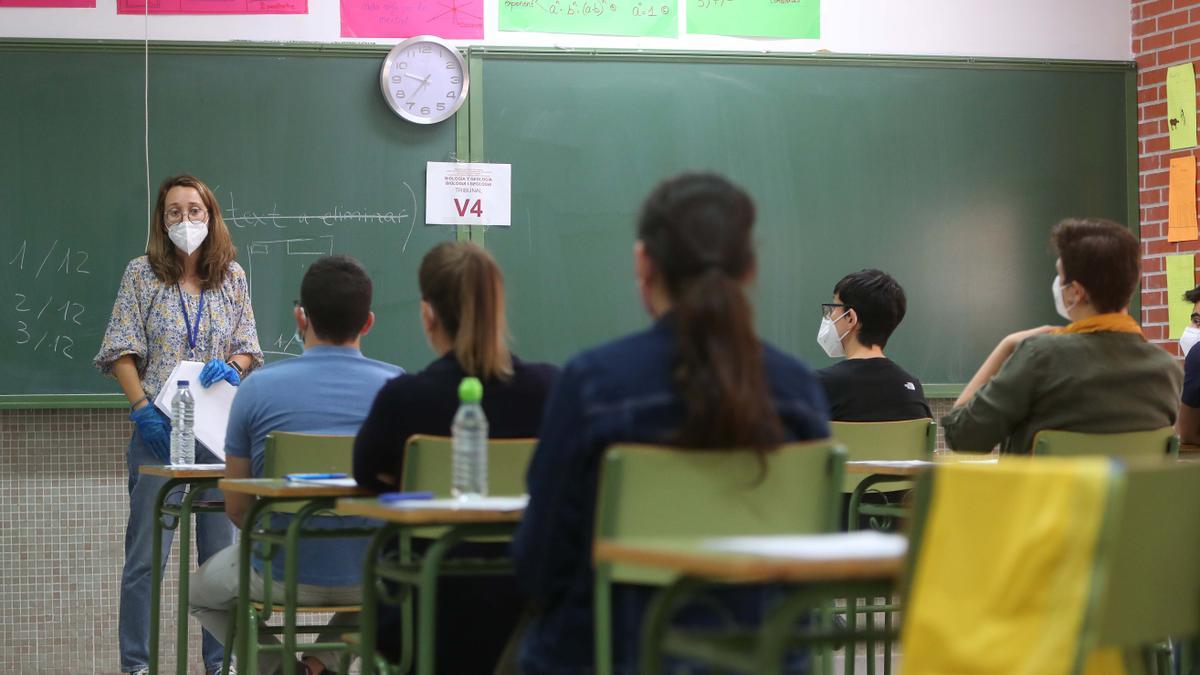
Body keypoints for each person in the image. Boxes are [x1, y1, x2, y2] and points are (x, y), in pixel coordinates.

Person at [512, 173, 830, 674]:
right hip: (760, 657)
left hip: (610, 655)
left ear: (643, 262)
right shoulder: (798, 391)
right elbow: (809, 569)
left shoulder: (593, 384)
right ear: (748, 269)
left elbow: (539, 565)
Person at [189, 254, 401, 675]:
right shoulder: (398, 390)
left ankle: (281, 669)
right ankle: (321, 665)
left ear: (300, 317)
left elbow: (236, 507)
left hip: (276, 574)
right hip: (371, 570)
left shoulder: (256, 390)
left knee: (197, 592)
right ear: (368, 322)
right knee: (394, 587)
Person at [353, 241, 557, 673]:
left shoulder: (403, 399)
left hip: (426, 607)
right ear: (497, 308)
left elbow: (365, 474)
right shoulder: (549, 390)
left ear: (428, 314)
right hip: (526, 607)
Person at [94, 174, 262, 675]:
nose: (184, 220)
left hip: (216, 434)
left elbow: (249, 346)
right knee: (146, 559)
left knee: (219, 559)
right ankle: (137, 666)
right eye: (173, 212)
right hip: (159, 431)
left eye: (194, 210)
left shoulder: (231, 275)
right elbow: (121, 349)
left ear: (210, 216)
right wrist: (142, 407)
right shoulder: (142, 274)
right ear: (160, 220)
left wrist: (234, 367)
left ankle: (220, 663)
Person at [942, 218, 1181, 454]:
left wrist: (1005, 346)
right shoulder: (1168, 370)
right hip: (1132, 494)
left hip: (1042, 494)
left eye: (1059, 275)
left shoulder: (1040, 355)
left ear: (1075, 293)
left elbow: (963, 438)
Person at [815, 269, 931, 422]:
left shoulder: (819, 385)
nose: (829, 316)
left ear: (850, 318)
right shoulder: (912, 390)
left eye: (834, 307)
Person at [1177, 286, 1200, 444]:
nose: (1193, 328)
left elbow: (1188, 436)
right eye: (1195, 321)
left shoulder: (1197, 355)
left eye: (1198, 322)